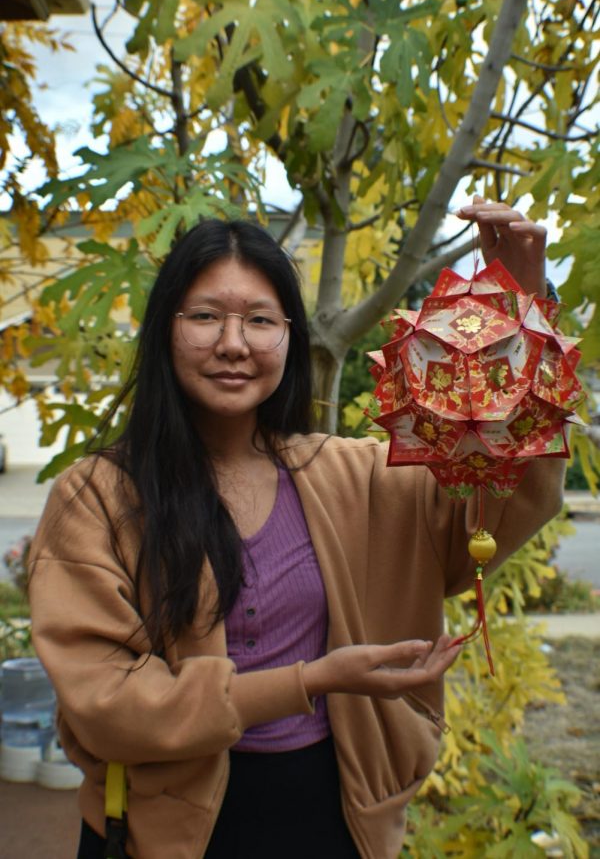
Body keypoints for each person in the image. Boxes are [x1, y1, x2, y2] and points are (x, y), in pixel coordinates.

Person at [28, 200, 564, 859]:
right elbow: (107, 705)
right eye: (204, 316)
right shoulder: (99, 497)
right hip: (159, 829)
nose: (233, 342)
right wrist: (310, 680)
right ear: (164, 331)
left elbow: (496, 502)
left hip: (333, 817)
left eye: (259, 320)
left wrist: (523, 315)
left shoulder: (354, 475)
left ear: (289, 336)